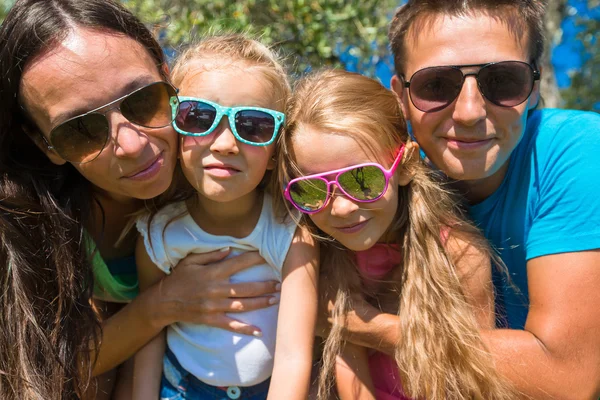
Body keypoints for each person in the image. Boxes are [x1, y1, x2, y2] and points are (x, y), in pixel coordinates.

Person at [0, 2, 281, 399]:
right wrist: (163, 304)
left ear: (167, 78)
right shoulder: (23, 223)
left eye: (142, 101)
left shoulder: (227, 173)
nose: (131, 146)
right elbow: (45, 363)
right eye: (81, 130)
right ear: (43, 143)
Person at [324, 1, 600, 399]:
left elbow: (565, 378)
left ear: (535, 87)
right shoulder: (381, 178)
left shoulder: (577, 151)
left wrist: (362, 325)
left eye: (503, 81)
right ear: (401, 96)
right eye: (436, 85)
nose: (470, 112)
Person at [276, 69, 515, 399]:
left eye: (363, 181)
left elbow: (476, 365)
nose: (341, 208)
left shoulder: (461, 251)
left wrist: (368, 325)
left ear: (405, 166)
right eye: (312, 189)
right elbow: (348, 367)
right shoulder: (323, 250)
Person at [132, 35, 319, 400]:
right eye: (199, 117)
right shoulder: (159, 234)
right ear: (174, 124)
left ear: (278, 147)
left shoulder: (291, 233)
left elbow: (294, 357)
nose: (225, 143)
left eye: (254, 125)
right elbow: (148, 339)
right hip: (180, 389)